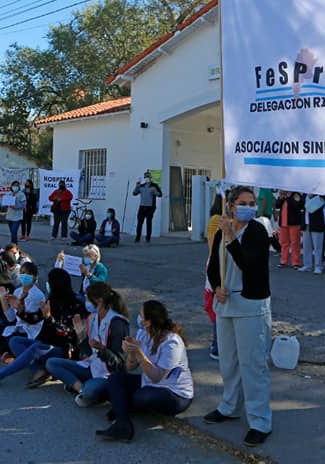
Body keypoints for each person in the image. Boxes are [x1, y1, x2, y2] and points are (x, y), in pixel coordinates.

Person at [205, 185, 272, 447]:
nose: (248, 206)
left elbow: (249, 263)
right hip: (226, 304)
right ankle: (229, 406)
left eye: (252, 202)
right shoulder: (223, 231)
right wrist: (217, 287)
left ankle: (260, 420)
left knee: (252, 365)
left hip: (250, 307)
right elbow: (214, 265)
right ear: (231, 205)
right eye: (243, 202)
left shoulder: (257, 231)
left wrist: (232, 236)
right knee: (228, 362)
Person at [95, 300, 194, 442]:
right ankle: (123, 423)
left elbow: (156, 377)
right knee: (115, 378)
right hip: (149, 383)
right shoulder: (143, 333)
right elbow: (130, 367)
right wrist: (130, 351)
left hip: (176, 393)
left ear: (148, 322)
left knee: (141, 396)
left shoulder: (172, 343)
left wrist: (139, 352)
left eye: (141, 315)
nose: (138, 317)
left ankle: (122, 406)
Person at [0, 267, 84, 390]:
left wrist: (49, 319)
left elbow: (67, 332)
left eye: (50, 282)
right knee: (15, 341)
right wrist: (20, 310)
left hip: (63, 348)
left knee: (36, 348)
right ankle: (39, 370)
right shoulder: (52, 300)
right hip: (46, 341)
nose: (48, 285)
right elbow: (35, 318)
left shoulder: (75, 305)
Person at [46, 282, 129, 406]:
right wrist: (81, 336)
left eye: (88, 299)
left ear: (99, 301)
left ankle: (88, 390)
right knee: (51, 363)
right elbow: (88, 352)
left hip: (108, 374)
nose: (86, 302)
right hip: (92, 367)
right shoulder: (93, 318)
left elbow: (119, 364)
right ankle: (80, 388)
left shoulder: (117, 324)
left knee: (89, 392)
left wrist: (102, 349)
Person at [204, 192, 224, 360]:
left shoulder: (217, 219)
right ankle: (218, 346)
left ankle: (219, 343)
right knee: (217, 307)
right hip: (218, 264)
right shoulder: (217, 220)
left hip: (220, 263)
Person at [274, 190, 304, 268]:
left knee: (295, 243)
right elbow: (277, 205)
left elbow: (298, 206)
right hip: (283, 223)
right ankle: (283, 261)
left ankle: (296, 262)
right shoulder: (283, 195)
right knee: (284, 243)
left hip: (294, 223)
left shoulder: (296, 194)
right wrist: (281, 198)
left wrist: (289, 197)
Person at [300, 193, 325, 274]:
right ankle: (307, 265)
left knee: (317, 246)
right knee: (306, 245)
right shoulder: (304, 194)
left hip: (316, 223)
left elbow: (316, 207)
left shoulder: (321, 193)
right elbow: (301, 206)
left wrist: (312, 197)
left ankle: (318, 266)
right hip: (306, 223)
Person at [132, 171, 163, 243]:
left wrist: (155, 192)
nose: (147, 179)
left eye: (148, 177)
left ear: (150, 178)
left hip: (150, 207)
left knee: (149, 222)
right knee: (140, 222)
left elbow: (160, 194)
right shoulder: (141, 186)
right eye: (145, 177)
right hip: (142, 206)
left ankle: (148, 238)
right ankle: (137, 237)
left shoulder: (154, 185)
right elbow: (134, 193)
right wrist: (136, 186)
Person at [2, 180, 26, 244]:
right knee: (12, 232)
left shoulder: (21, 194)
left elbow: (24, 205)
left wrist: (15, 206)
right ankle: (13, 245)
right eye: (14, 185)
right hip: (9, 216)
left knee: (14, 231)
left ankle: (14, 245)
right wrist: (6, 204)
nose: (15, 187)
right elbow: (5, 204)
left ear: (19, 187)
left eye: (17, 185)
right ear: (11, 186)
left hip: (17, 216)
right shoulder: (9, 194)